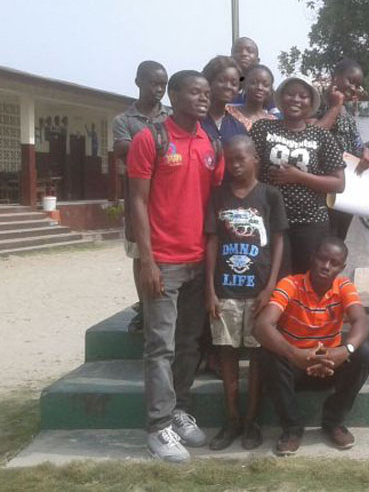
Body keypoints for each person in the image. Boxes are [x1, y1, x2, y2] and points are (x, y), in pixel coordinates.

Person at [128, 70, 224, 463]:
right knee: (160, 347)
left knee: (188, 346)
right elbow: (136, 201)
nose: (204, 98)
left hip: (198, 261)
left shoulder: (211, 142)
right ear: (174, 94)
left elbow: (214, 201)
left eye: (207, 93)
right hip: (163, 262)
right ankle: (158, 427)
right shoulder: (149, 138)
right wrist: (147, 261)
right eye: (195, 92)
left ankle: (179, 411)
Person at [204, 134, 288, 451]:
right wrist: (209, 290)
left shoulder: (270, 195)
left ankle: (252, 420)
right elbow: (212, 241)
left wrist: (271, 286)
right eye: (230, 160)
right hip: (225, 290)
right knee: (226, 354)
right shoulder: (218, 195)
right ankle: (232, 419)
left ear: (255, 159)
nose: (235, 165)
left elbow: (278, 241)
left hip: (258, 291)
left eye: (241, 159)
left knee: (256, 357)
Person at [255, 237, 369, 455]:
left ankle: (334, 422)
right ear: (312, 258)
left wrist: (343, 351)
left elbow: (361, 321)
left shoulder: (344, 286)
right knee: (267, 354)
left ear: (342, 268)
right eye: (322, 259)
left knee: (364, 351)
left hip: (330, 365)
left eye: (334, 263)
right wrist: (295, 354)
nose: (326, 266)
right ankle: (292, 429)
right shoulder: (290, 284)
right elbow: (263, 325)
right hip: (295, 368)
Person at [250, 76, 345, 274]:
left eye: (303, 96)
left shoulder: (321, 136)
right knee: (273, 277)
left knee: (306, 279)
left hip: (311, 222)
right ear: (280, 98)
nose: (296, 99)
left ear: (311, 103)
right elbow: (251, 173)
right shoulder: (262, 128)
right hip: (270, 220)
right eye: (290, 94)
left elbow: (338, 184)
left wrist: (298, 177)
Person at [112, 60, 170, 333]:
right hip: (138, 194)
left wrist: (142, 145)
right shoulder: (123, 120)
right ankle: (145, 307)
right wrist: (158, 144)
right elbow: (122, 148)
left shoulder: (171, 115)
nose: (159, 89)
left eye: (163, 85)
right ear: (138, 82)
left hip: (168, 194)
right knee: (140, 252)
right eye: (153, 83)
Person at [314, 58, 369, 240]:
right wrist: (335, 106)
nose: (354, 88)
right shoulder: (317, 103)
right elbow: (313, 136)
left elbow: (355, 140)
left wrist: (365, 150)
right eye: (351, 81)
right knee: (323, 240)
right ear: (335, 77)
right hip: (322, 185)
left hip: (346, 186)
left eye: (358, 84)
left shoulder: (346, 110)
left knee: (338, 239)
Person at [200, 56, 246, 144]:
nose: (228, 86)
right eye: (222, 81)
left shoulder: (239, 128)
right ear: (208, 81)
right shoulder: (192, 121)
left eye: (234, 83)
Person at [227, 64, 277, 131]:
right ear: (244, 85)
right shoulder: (228, 112)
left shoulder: (273, 122)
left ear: (270, 90)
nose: (259, 87)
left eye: (265, 85)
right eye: (254, 83)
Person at [230, 36, 260, 104]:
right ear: (230, 58)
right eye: (238, 51)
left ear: (257, 60)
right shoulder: (222, 89)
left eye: (250, 51)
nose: (244, 54)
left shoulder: (265, 92)